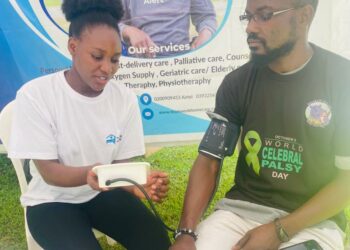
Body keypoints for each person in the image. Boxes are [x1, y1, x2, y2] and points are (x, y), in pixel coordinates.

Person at [170, 0, 350, 249]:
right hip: (239, 214)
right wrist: (186, 233)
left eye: (264, 15)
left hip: (313, 222)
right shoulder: (237, 83)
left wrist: (280, 230)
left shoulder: (342, 80)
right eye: (248, 17)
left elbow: (346, 180)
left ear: (303, 16)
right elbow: (209, 160)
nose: (250, 28)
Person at [8, 0, 171, 249]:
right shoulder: (36, 95)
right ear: (73, 47)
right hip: (51, 202)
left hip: (101, 193)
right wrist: (90, 174)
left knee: (156, 240)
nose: (107, 68)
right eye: (97, 56)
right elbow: (49, 172)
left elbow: (119, 166)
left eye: (115, 59)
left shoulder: (123, 98)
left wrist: (135, 183)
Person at [119, 0, 217, 58]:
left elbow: (206, 17)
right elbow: (111, 24)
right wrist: (129, 31)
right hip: (141, 65)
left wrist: (205, 33)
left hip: (182, 62)